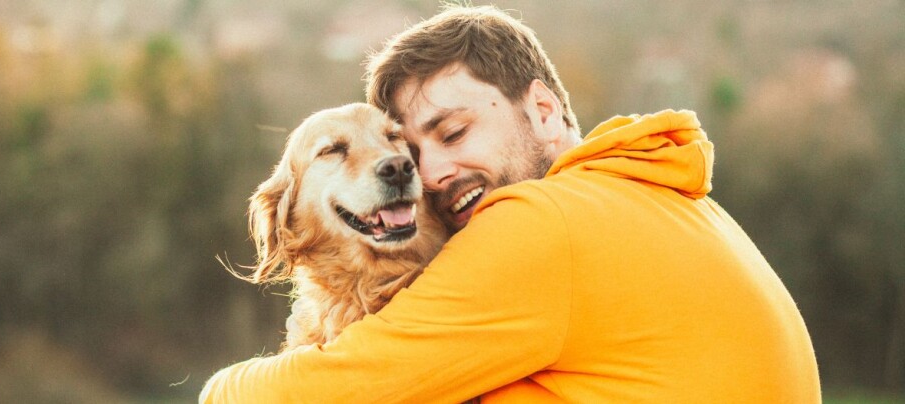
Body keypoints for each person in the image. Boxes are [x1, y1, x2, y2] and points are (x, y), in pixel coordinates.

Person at [200, 5, 820, 403]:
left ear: (545, 111)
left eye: (453, 133)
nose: (428, 171)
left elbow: (346, 389)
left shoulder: (543, 222)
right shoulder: (660, 198)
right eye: (416, 149)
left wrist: (220, 391)